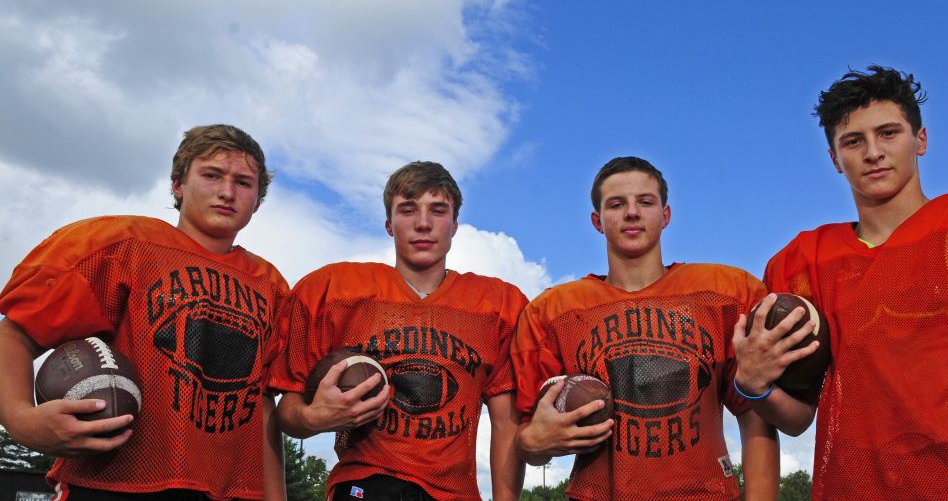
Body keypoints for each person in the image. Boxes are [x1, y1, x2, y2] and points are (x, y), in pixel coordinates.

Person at [733, 65, 948, 499]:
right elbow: (797, 418)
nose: (873, 152)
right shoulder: (804, 261)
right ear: (836, 160)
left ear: (921, 140)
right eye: (853, 141)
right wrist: (754, 385)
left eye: (889, 133)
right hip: (854, 487)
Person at [0, 124, 290, 500]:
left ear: (257, 199)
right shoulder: (120, 246)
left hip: (225, 488)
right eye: (212, 175)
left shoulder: (271, 286)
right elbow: (16, 333)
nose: (227, 192)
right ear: (178, 185)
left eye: (244, 182)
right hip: (113, 479)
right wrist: (20, 420)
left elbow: (262, 402)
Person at [512, 156, 779, 501]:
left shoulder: (725, 293)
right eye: (617, 204)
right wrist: (533, 442)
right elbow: (528, 440)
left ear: (665, 215)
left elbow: (755, 414)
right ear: (598, 221)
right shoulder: (553, 312)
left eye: (645, 202)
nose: (632, 213)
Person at [269, 161, 527, 501]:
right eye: (408, 210)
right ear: (390, 225)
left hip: (452, 491)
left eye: (438, 210)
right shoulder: (335, 291)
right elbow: (287, 407)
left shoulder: (497, 306)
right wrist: (314, 417)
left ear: (455, 225)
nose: (423, 223)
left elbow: (506, 424)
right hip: (365, 481)